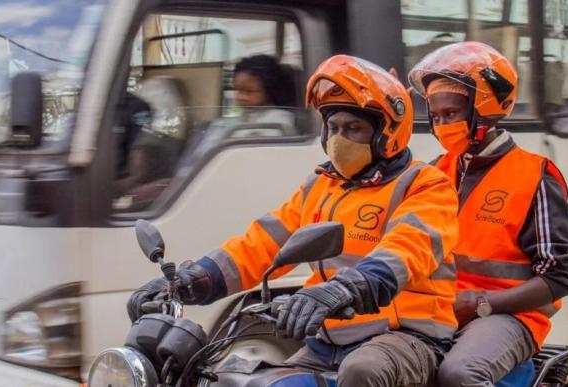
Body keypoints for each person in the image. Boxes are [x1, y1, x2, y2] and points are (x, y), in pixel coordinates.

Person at [127, 54, 460, 387]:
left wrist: (343, 288)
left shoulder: (425, 184)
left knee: (363, 371)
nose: (338, 139)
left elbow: (406, 250)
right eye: (333, 127)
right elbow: (261, 244)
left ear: (387, 133)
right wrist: (193, 281)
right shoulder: (320, 186)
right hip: (329, 343)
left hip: (404, 338)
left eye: (354, 128)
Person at [408, 41, 568, 387]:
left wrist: (480, 303)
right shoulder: (434, 172)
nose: (442, 125)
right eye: (436, 116)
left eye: (451, 114)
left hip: (509, 316)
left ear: (483, 110)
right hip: (439, 310)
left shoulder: (535, 175)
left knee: (459, 374)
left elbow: (560, 277)